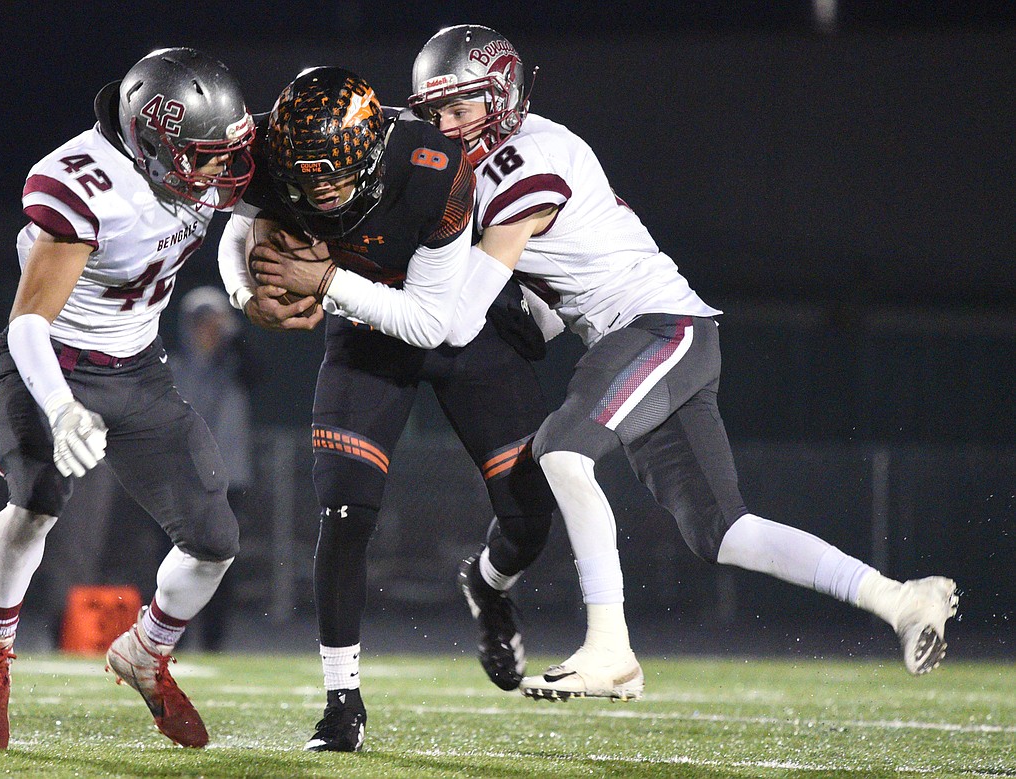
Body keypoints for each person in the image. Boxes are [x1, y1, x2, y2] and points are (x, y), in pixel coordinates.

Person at [405, 24, 959, 701]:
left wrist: (350, 286)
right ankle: (901, 599)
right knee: (725, 531)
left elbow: (457, 318)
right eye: (436, 113)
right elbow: (549, 293)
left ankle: (610, 649)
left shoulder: (525, 160)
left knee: (561, 451)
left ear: (504, 97)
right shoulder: (510, 159)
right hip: (655, 334)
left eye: (461, 109)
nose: (448, 127)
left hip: (662, 327)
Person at [218, 66, 557, 751]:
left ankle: (488, 585)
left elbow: (433, 323)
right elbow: (240, 232)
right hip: (364, 326)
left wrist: (323, 278)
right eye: (306, 181)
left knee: (529, 518)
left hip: (459, 320)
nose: (322, 194)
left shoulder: (433, 168)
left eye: (336, 179)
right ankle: (342, 703)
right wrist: (246, 297)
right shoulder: (265, 152)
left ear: (373, 152)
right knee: (344, 509)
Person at [0, 47, 256, 749]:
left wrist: (247, 275)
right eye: (204, 157)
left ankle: (145, 652)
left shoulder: (208, 156)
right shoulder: (85, 185)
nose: (221, 172)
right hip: (53, 358)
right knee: (34, 506)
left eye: (227, 152)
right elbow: (28, 322)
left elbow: (253, 208)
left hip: (139, 368)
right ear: (153, 145)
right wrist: (61, 407)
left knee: (215, 539)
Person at [167, 285, 264, 650]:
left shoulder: (237, 365)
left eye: (214, 323)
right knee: (174, 559)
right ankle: (171, 636)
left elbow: (260, 372)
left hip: (228, 480)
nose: (207, 330)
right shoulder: (173, 366)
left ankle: (213, 641)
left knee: (220, 562)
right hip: (180, 480)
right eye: (201, 323)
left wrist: (234, 334)